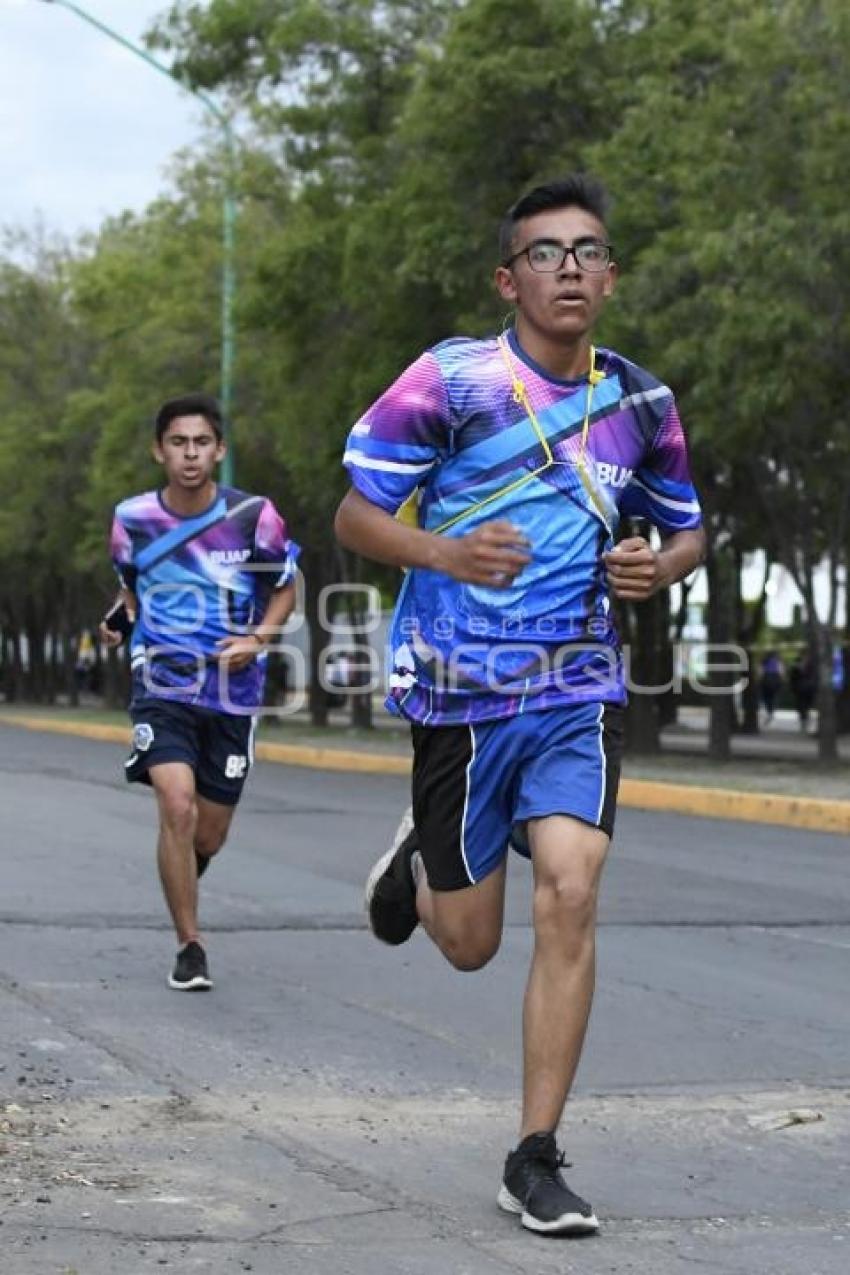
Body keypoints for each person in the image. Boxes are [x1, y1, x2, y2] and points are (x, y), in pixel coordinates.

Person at [335, 176, 705, 1236]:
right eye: (546, 253)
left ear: (612, 276)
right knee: (466, 944)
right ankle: (422, 862)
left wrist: (657, 567)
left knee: (573, 891)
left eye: (589, 251)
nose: (571, 269)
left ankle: (534, 1156)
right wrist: (444, 550)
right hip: (457, 691)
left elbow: (685, 530)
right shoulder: (450, 381)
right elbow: (355, 516)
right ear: (510, 277)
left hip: (575, 686)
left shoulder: (640, 403)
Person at [99, 393, 299, 991]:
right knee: (177, 803)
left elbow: (287, 588)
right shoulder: (132, 519)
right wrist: (120, 620)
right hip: (161, 681)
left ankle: (181, 868)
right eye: (179, 443)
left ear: (220, 450)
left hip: (233, 693)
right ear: (159, 450)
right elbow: (133, 590)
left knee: (207, 832)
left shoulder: (253, 516)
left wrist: (257, 639)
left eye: (202, 443)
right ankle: (190, 944)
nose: (190, 454)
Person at [789, 650, 817, 732]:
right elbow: (792, 678)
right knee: (800, 706)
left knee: (806, 705)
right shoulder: (796, 665)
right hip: (800, 689)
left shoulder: (811, 665)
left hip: (808, 689)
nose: (805, 657)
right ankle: (803, 721)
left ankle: (805, 719)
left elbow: (813, 677)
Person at [759, 649, 784, 723]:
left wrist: (760, 680)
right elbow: (781, 672)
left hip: (766, 681)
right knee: (774, 696)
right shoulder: (778, 661)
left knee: (766, 697)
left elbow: (760, 672)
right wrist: (782, 681)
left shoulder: (764, 661)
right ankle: (772, 711)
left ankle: (769, 711)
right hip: (775, 681)